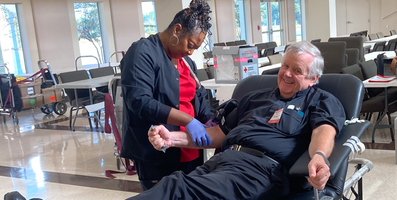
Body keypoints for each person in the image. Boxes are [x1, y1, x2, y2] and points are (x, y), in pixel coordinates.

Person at [127, 41, 347, 199]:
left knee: (179, 190)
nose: (287, 74)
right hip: (221, 163)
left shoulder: (319, 99)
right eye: (285, 66)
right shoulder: (255, 97)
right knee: (171, 184)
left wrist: (319, 156)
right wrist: (171, 138)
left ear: (314, 78)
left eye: (297, 70)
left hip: (260, 171)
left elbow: (324, 130)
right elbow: (216, 135)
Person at [119, 0, 215, 191]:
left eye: (195, 48)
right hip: (156, 150)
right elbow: (139, 101)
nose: (190, 51)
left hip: (189, 147)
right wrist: (188, 120)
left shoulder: (186, 62)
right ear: (177, 30)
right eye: (190, 44)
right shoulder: (143, 52)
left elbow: (198, 97)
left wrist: (210, 119)